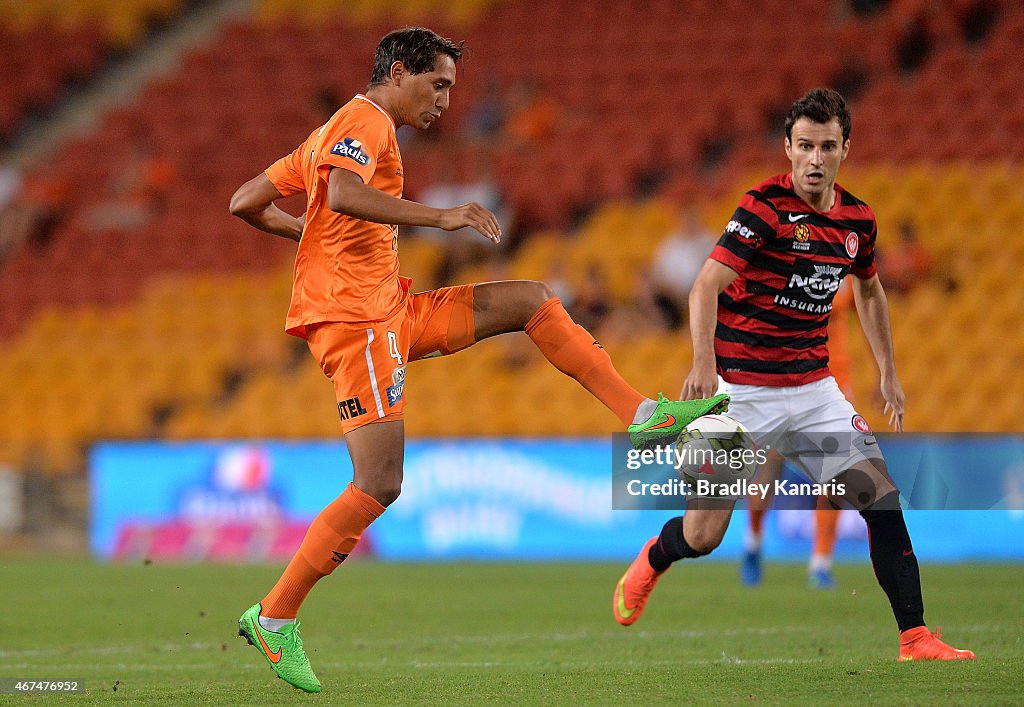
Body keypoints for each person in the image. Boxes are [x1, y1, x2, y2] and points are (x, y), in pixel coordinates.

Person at [228, 27, 728, 693]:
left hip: (391, 310)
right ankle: (276, 613)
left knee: (529, 299)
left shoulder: (329, 134)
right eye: (437, 84)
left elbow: (246, 202)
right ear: (400, 71)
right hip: (358, 324)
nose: (444, 101)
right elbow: (344, 196)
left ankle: (640, 412)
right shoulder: (364, 121)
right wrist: (441, 216)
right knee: (379, 481)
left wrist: (307, 236)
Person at [613, 88, 974, 662]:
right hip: (740, 395)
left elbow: (871, 289)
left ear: (844, 149)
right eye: (804, 145)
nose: (814, 158)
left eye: (826, 146)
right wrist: (703, 363)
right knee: (705, 536)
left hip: (814, 393)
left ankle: (916, 638)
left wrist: (889, 371)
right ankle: (657, 555)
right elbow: (704, 285)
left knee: (880, 500)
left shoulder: (858, 219)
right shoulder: (762, 207)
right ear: (787, 147)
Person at [740, 277, 855, 589]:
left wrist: (884, 368)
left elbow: (869, 305)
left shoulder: (843, 264)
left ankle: (821, 562)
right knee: (769, 467)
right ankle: (753, 541)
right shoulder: (787, 260)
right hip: (787, 377)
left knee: (836, 472)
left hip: (834, 382)